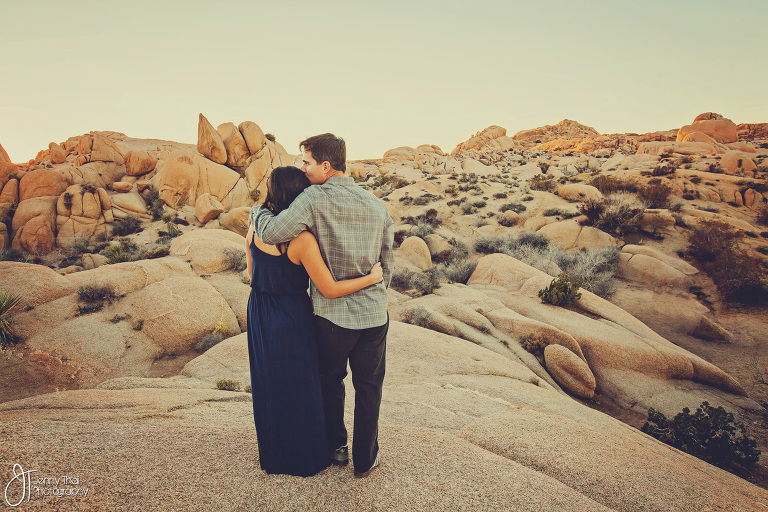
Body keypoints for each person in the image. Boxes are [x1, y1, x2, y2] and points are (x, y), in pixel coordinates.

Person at [252, 133, 394, 478]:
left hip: (333, 316)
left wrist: (256, 212)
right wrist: (376, 293)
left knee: (331, 381)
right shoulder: (376, 204)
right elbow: (386, 261)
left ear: (326, 166)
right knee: (370, 386)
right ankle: (366, 458)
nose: (303, 167)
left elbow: (272, 233)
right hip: (374, 315)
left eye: (307, 162)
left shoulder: (313, 198)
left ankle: (337, 448)